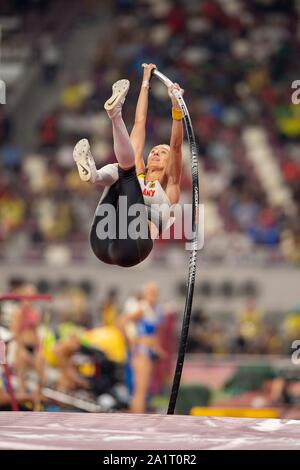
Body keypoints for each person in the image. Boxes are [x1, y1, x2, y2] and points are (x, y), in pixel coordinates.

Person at [73, 63, 184, 267]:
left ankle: (115, 116)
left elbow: (176, 146)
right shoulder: (137, 172)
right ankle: (94, 175)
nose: (156, 154)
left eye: (162, 153)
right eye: (154, 151)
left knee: (126, 170)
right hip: (101, 242)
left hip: (133, 248)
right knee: (124, 168)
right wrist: (144, 83)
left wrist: (176, 108)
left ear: (170, 164)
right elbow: (140, 122)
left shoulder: (171, 189)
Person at [119, 282, 165, 413]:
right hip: (141, 351)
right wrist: (132, 341)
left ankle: (139, 415)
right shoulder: (141, 308)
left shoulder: (155, 309)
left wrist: (157, 347)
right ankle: (137, 418)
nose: (153, 295)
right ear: (144, 294)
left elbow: (155, 333)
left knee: (145, 390)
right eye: (150, 292)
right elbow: (122, 321)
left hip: (149, 351)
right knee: (141, 389)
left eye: (155, 292)